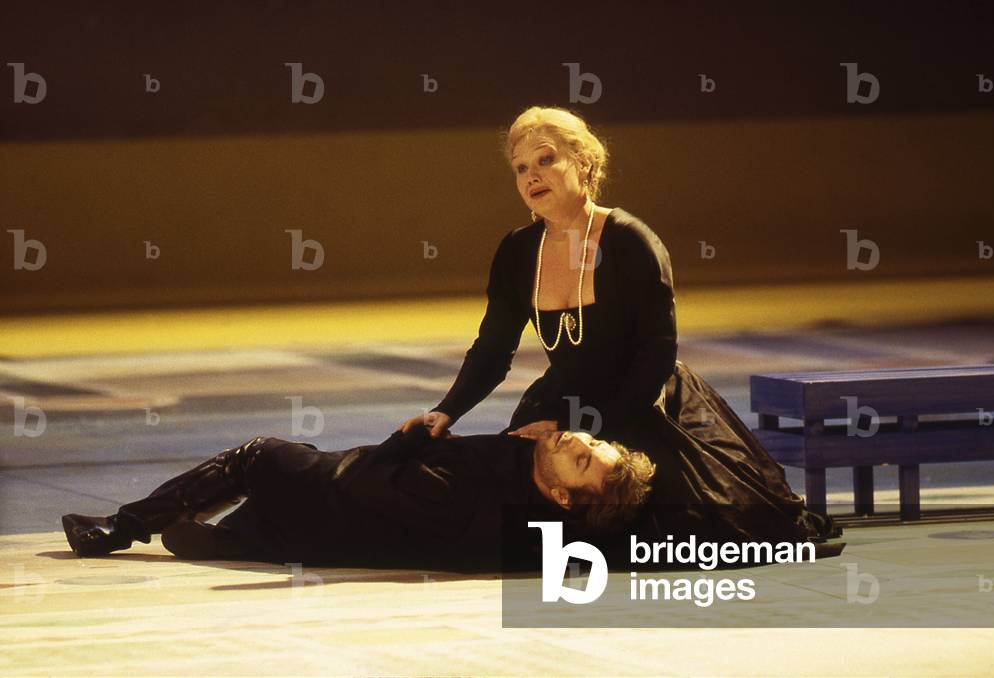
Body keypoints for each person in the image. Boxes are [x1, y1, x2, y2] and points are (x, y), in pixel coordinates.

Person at [397, 105, 840, 546]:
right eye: (521, 168)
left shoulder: (630, 240)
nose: (531, 176)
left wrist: (579, 427)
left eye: (546, 160)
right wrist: (448, 409)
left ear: (584, 162)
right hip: (560, 403)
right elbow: (493, 350)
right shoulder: (516, 251)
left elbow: (656, 356)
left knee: (691, 523)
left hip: (642, 401)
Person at [61, 427, 656, 571]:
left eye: (582, 458)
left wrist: (413, 436)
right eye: (594, 442)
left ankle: (117, 528)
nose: (580, 438)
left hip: (333, 498)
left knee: (262, 455)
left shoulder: (467, 488)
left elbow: (364, 483)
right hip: (345, 534)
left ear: (558, 492)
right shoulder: (531, 522)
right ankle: (237, 537)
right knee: (279, 512)